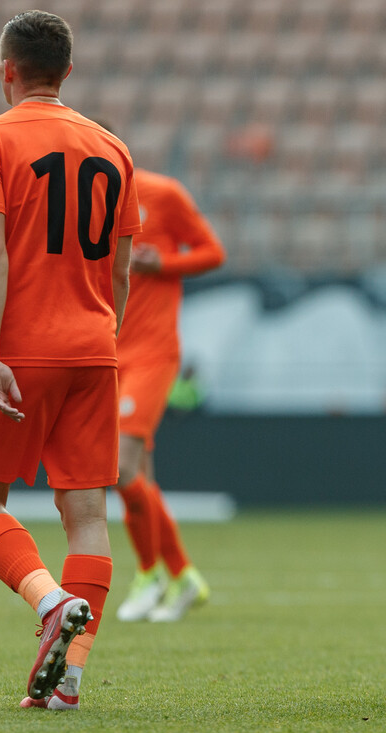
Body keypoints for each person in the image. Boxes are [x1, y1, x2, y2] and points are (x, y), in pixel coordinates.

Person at [0, 11, 140, 710]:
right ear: (67, 71)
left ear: (7, 69)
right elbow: (121, 270)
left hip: (21, 348)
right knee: (85, 509)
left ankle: (49, 599)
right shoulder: (113, 149)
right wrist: (103, 340)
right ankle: (70, 680)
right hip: (96, 347)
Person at [107, 161, 225, 623]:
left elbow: (213, 252)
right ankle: (170, 574)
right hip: (106, 353)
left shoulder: (162, 194)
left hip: (153, 355)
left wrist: (164, 262)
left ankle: (159, 574)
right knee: (139, 479)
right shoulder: (83, 204)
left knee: (119, 467)